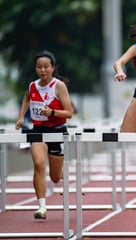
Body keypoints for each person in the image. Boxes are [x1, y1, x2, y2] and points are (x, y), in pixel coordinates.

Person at [15, 50, 73, 219]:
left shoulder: (59, 86)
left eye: (46, 67)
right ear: (35, 68)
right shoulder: (32, 85)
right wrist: (20, 118)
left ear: (52, 68)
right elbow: (27, 98)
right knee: (39, 164)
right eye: (39, 67)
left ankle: (62, 172)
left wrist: (52, 112)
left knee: (55, 177)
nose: (43, 70)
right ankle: (41, 207)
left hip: (57, 131)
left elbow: (69, 113)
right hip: (38, 130)